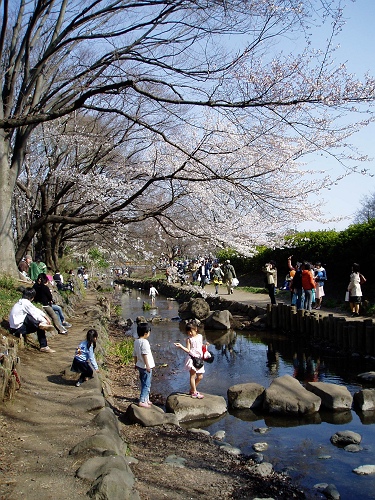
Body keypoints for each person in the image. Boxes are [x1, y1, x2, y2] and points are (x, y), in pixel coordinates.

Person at [8, 288, 55, 353]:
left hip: (14, 327)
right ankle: (44, 346)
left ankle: (41, 324)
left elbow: (35, 309)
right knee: (39, 326)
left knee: (28, 316)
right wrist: (43, 321)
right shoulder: (26, 303)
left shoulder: (21, 302)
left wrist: (45, 316)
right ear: (32, 297)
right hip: (17, 329)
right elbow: (34, 314)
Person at [174, 323, 208, 399]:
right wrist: (181, 346)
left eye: (191, 331)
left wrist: (205, 346)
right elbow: (188, 350)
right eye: (188, 332)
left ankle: (192, 390)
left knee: (200, 377)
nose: (189, 333)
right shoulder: (189, 339)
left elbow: (200, 346)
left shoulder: (200, 336)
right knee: (193, 376)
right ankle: (194, 392)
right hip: (192, 359)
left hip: (199, 359)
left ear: (195, 329)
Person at [133, 322, 155, 408]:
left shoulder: (136, 341)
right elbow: (144, 354)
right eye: (149, 332)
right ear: (146, 333)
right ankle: (142, 400)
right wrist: (148, 365)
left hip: (140, 365)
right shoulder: (145, 342)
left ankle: (146, 398)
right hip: (146, 366)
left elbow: (134, 354)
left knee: (143, 382)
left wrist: (135, 364)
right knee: (147, 383)